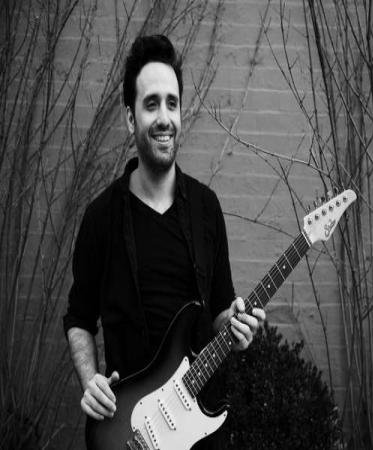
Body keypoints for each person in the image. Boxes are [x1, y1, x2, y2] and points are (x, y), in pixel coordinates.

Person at [63, 35, 265, 449]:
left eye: (172, 104)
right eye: (151, 104)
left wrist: (237, 325)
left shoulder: (206, 208)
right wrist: (90, 380)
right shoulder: (101, 217)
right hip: (128, 432)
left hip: (197, 429)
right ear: (130, 118)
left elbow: (220, 312)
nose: (164, 118)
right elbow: (79, 318)